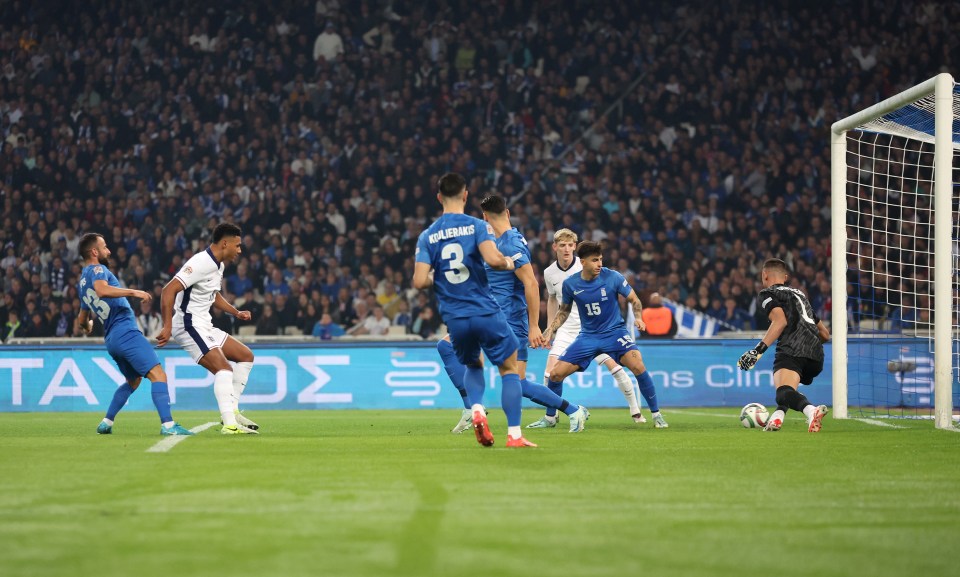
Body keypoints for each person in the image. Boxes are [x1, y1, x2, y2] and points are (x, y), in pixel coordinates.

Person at [440, 194, 588, 435]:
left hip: (510, 322)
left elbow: (531, 283)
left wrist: (533, 326)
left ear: (485, 216)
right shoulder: (495, 241)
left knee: (517, 384)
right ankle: (471, 408)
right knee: (446, 346)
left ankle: (572, 410)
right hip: (488, 317)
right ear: (507, 213)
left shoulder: (512, 244)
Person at [413, 172, 534, 448]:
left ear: (439, 197)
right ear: (466, 196)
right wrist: (509, 263)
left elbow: (419, 281)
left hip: (456, 317)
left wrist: (440, 276)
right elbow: (493, 260)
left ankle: (476, 408)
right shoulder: (478, 227)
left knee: (473, 364)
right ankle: (514, 435)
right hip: (486, 310)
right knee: (509, 368)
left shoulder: (427, 236)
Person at [529, 229, 667, 428]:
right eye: (595, 260)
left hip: (615, 333)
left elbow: (634, 299)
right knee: (555, 374)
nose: (599, 264)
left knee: (637, 366)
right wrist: (550, 329)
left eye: (600, 259)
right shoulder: (570, 284)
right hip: (588, 337)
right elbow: (564, 311)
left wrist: (638, 317)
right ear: (583, 262)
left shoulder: (613, 277)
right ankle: (551, 418)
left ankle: (655, 415)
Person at [75, 233, 192, 436]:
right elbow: (102, 290)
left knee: (134, 380)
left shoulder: (82, 283)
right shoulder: (98, 269)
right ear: (94, 252)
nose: (108, 251)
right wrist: (133, 292)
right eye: (104, 247)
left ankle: (106, 422)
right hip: (125, 331)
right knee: (158, 374)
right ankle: (168, 425)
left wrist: (88, 326)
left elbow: (81, 320)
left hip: (111, 339)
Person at [157, 223, 259, 435]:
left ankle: (232, 410)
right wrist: (167, 326)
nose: (240, 251)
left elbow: (212, 295)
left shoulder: (218, 265)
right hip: (188, 324)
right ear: (225, 243)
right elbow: (168, 291)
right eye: (237, 246)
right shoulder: (201, 262)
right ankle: (230, 424)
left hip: (204, 323)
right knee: (224, 369)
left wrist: (235, 312)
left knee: (245, 356)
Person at [737, 258, 829, 432]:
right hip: (816, 358)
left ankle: (812, 411)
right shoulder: (800, 295)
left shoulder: (767, 293)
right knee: (787, 389)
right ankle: (777, 417)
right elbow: (825, 334)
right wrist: (809, 344)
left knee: (783, 392)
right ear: (785, 277)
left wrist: (757, 351)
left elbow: (780, 321)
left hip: (792, 348)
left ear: (764, 275)